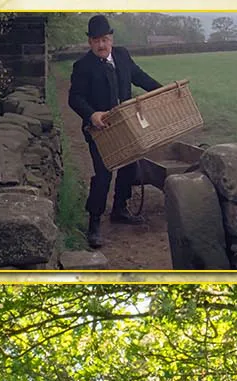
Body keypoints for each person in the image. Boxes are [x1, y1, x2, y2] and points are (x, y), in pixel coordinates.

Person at [67, 14, 162, 249]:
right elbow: (74, 98)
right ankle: (95, 222)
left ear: (111, 39)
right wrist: (92, 115)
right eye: (96, 40)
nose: (102, 45)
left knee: (130, 165)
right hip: (99, 129)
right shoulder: (82, 66)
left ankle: (120, 208)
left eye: (105, 39)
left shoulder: (122, 55)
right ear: (90, 42)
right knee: (104, 173)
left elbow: (140, 77)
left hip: (126, 124)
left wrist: (163, 91)